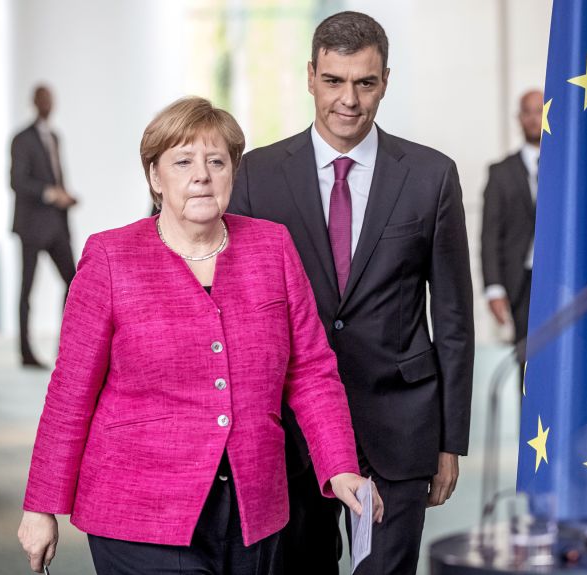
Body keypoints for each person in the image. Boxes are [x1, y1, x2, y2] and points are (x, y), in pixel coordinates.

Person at [17, 97, 382, 575]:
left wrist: (339, 464)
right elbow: (70, 392)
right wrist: (41, 504)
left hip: (254, 506)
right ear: (154, 177)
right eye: (182, 161)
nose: (201, 175)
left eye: (216, 161)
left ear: (233, 172)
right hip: (139, 511)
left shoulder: (271, 247)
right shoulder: (110, 257)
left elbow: (311, 370)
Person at [228, 11, 474, 575]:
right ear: (311, 76)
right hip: (294, 430)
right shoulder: (256, 176)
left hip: (401, 424)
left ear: (385, 80)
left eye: (365, 83)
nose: (349, 100)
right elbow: (235, 314)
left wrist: (450, 440)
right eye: (335, 81)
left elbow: (454, 317)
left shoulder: (431, 176)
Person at [11, 85, 78, 369]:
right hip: (31, 225)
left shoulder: (54, 136)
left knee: (74, 282)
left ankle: (66, 345)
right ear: (35, 102)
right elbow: (17, 181)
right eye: (44, 99)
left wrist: (65, 196)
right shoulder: (21, 139)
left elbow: (57, 175)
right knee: (27, 289)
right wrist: (51, 193)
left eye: (52, 99)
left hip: (57, 225)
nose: (48, 104)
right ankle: (25, 352)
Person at [481, 89, 542, 381]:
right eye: (527, 111)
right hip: (522, 284)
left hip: (565, 281)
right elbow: (489, 234)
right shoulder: (500, 172)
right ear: (519, 118)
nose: (534, 117)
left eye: (541, 110)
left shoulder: (572, 169)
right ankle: (531, 428)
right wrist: (494, 287)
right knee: (528, 363)